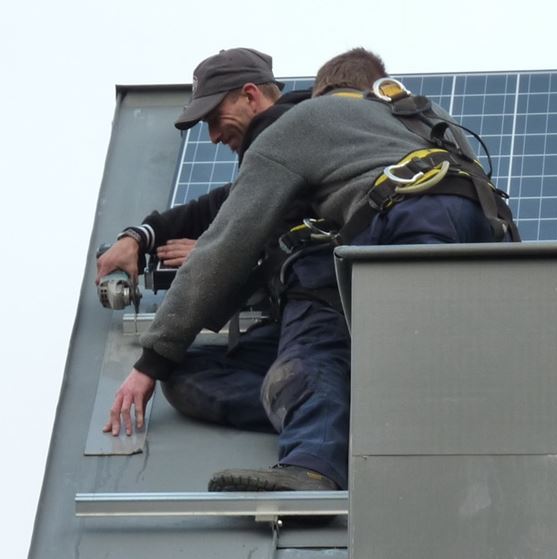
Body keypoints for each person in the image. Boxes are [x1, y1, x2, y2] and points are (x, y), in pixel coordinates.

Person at [101, 48, 395, 493]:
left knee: (287, 361)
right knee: (183, 376)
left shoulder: (303, 128)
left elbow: (246, 235)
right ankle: (334, 412)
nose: (213, 136)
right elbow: (225, 205)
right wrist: (142, 236)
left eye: (215, 118)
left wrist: (217, 253)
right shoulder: (282, 146)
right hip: (300, 320)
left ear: (251, 96)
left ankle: (320, 441)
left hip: (336, 304)